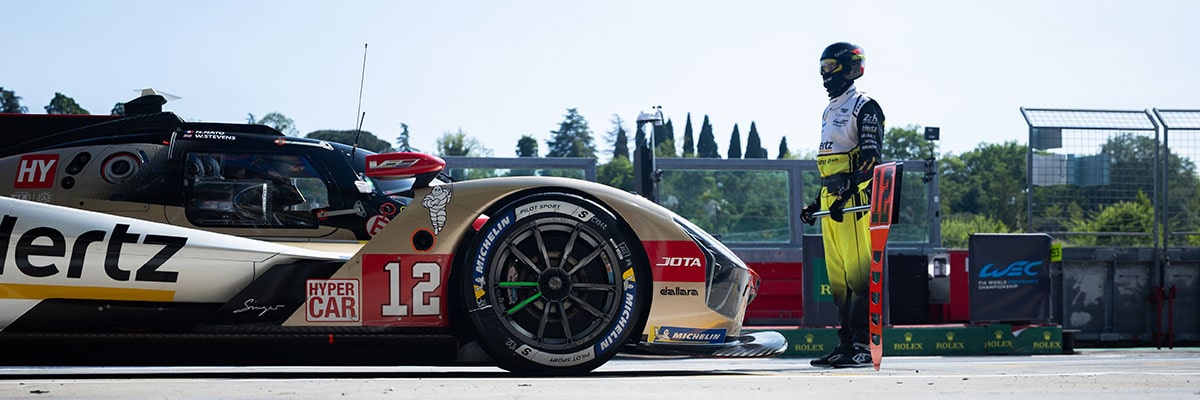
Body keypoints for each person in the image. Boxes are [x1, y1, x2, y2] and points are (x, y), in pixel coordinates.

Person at [800, 42, 884, 368]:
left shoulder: (865, 106)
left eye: (832, 66)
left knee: (859, 276)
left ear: (851, 68)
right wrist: (815, 202)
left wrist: (847, 195)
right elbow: (831, 164)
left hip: (856, 202)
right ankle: (845, 345)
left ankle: (863, 346)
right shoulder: (830, 109)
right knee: (838, 279)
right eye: (822, 67)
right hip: (830, 200)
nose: (825, 74)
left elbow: (871, 160)